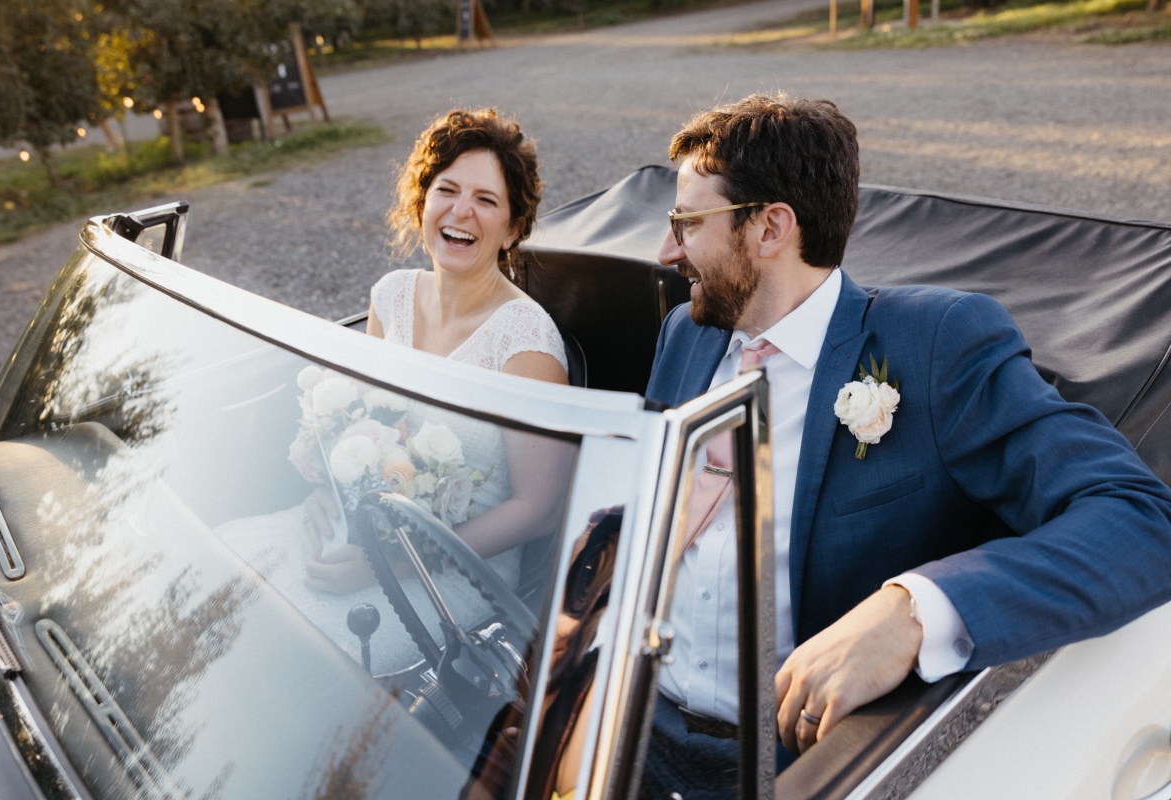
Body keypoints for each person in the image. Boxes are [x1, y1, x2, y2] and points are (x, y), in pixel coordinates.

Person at [641, 92, 1171, 795]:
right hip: (638, 725)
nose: (666, 249)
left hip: (796, 763)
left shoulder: (934, 346)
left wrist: (914, 610)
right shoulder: (686, 332)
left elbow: (1140, 520)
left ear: (771, 228)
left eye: (686, 221)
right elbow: (651, 510)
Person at [220, 108, 572, 670]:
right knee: (224, 569)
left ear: (512, 227)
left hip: (458, 571)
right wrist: (329, 499)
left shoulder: (527, 341)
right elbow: (363, 430)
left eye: (486, 199)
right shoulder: (391, 297)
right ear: (421, 203)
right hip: (366, 533)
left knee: (297, 649)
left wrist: (393, 564)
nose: (461, 211)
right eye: (446, 190)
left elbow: (539, 509)